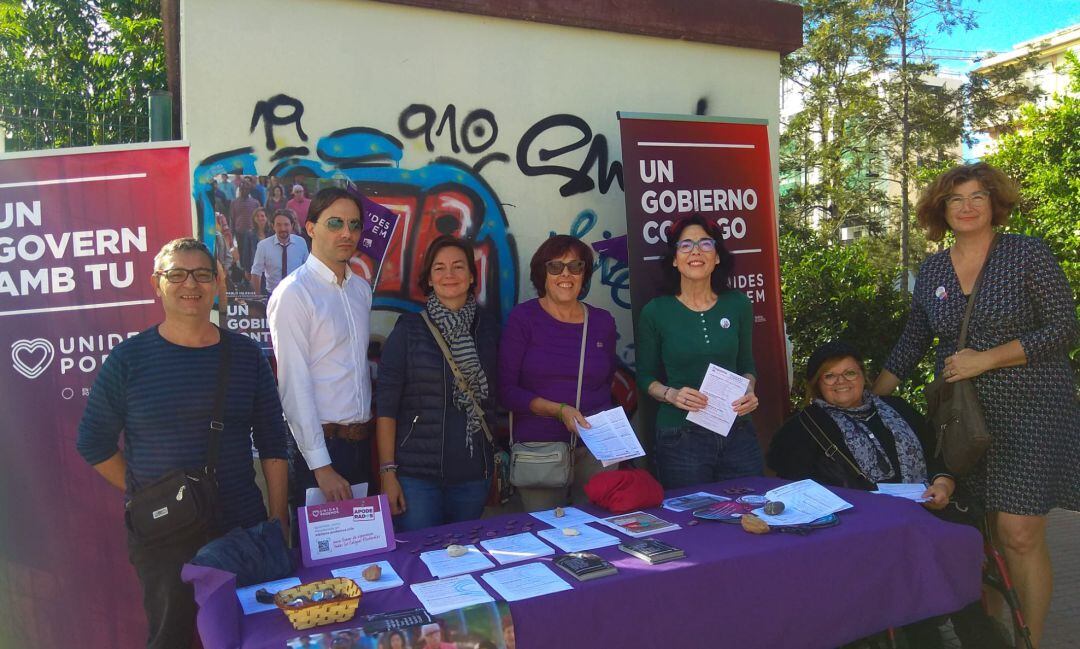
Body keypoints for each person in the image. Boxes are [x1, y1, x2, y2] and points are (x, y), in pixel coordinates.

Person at [873, 163, 1079, 647]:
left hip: (1034, 408)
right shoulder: (934, 270)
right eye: (955, 199)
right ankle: (993, 638)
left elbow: (1064, 328)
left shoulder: (1027, 254)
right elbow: (915, 339)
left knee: (1019, 532)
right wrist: (866, 399)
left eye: (976, 197)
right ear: (940, 210)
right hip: (964, 420)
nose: (966, 207)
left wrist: (986, 359)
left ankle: (1030, 640)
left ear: (994, 203)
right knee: (980, 537)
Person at [76, 238, 289, 649]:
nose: (189, 283)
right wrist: (152, 497)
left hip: (240, 529)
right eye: (177, 274)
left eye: (202, 274)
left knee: (253, 636)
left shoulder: (246, 356)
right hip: (162, 537)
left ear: (216, 283)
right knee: (171, 639)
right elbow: (93, 443)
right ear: (157, 283)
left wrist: (277, 520)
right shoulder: (128, 360)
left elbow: (273, 442)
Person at [771, 341, 1012, 648]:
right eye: (830, 376)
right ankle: (930, 638)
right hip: (865, 526)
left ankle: (976, 637)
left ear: (864, 377)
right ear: (817, 384)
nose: (841, 381)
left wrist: (943, 483)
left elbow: (936, 456)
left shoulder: (897, 409)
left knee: (942, 547)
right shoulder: (804, 427)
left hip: (926, 510)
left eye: (850, 373)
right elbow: (794, 484)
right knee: (916, 551)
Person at [376, 235, 499, 531]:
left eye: (458, 267)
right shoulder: (409, 330)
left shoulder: (487, 328)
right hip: (417, 478)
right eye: (439, 268)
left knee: (464, 561)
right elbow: (386, 407)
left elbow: (495, 398)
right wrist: (387, 472)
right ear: (429, 279)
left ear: (471, 276)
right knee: (422, 562)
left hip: (472, 475)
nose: (449, 275)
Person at [636, 213, 762, 489]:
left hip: (736, 429)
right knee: (692, 521)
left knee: (749, 510)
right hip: (681, 436)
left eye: (706, 244)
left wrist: (749, 390)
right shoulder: (656, 312)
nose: (696, 251)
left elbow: (747, 365)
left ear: (717, 256)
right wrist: (671, 394)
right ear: (674, 259)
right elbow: (644, 377)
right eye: (685, 245)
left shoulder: (738, 304)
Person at [268, 187, 374, 513]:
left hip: (362, 444)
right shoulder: (294, 293)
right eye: (335, 223)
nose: (347, 233)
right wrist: (321, 467)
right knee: (321, 560)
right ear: (311, 228)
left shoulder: (360, 289)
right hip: (320, 450)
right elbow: (294, 386)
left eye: (354, 225)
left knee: (364, 556)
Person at [499, 234, 619, 511]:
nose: (566, 274)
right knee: (548, 533)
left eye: (575, 266)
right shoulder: (523, 319)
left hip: (598, 448)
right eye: (555, 267)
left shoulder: (602, 322)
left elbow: (606, 380)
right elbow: (506, 391)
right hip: (541, 451)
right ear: (542, 273)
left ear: (585, 274)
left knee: (600, 530)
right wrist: (559, 410)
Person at [250, 210, 309, 296]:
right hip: (273, 295)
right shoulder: (263, 245)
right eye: (278, 225)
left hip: (297, 294)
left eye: (286, 224)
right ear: (273, 226)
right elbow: (256, 272)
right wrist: (257, 296)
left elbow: (307, 268)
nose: (283, 229)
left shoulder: (300, 242)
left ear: (292, 226)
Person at [240, 207, 272, 277]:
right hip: (255, 268)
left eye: (262, 216)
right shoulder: (249, 234)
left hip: (270, 268)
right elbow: (246, 253)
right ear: (254, 219)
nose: (260, 218)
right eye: (257, 216)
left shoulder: (272, 233)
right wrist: (247, 270)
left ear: (266, 218)